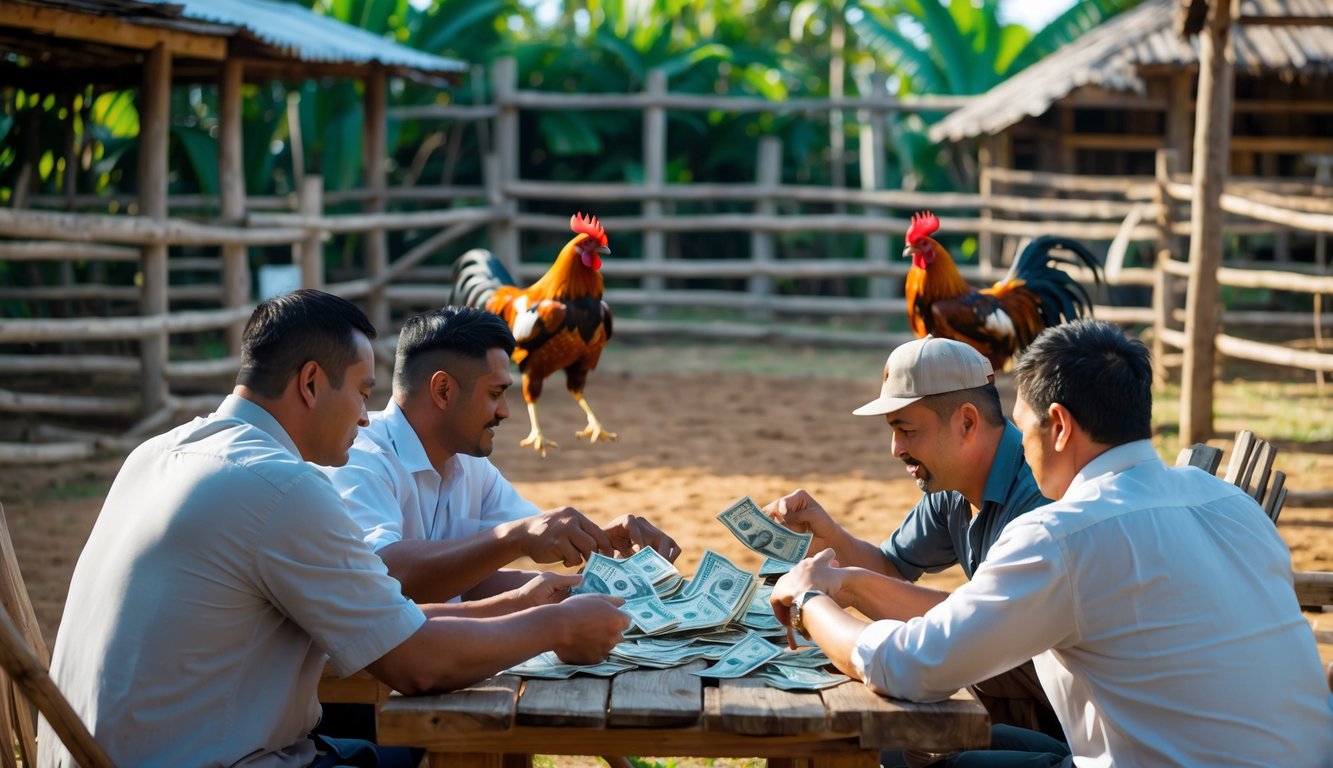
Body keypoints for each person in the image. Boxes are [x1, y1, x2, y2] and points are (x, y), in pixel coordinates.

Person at [39, 290, 630, 768]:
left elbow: (391, 622)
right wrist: (553, 625)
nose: (365, 416)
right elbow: (415, 664)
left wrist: (519, 603)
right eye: (363, 393)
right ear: (312, 383)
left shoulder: (158, 452)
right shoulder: (282, 486)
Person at [770, 319, 1333, 766]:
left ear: (1058, 426)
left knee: (894, 751)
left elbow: (906, 666)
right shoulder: (1228, 504)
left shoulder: (1063, 532)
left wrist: (808, 599)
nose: (1020, 442)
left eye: (1024, 424)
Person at [761, 335, 1059, 738]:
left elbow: (976, 625)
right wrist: (827, 536)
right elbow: (893, 570)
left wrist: (844, 588)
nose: (895, 448)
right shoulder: (954, 482)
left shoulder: (1040, 498)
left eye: (905, 430)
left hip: (1064, 716)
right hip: (1006, 673)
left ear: (967, 423)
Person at [321, 306, 680, 606]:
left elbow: (516, 548)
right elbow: (385, 575)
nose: (505, 411)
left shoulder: (470, 465)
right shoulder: (359, 458)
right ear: (443, 390)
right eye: (496, 393)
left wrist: (600, 539)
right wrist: (516, 538)